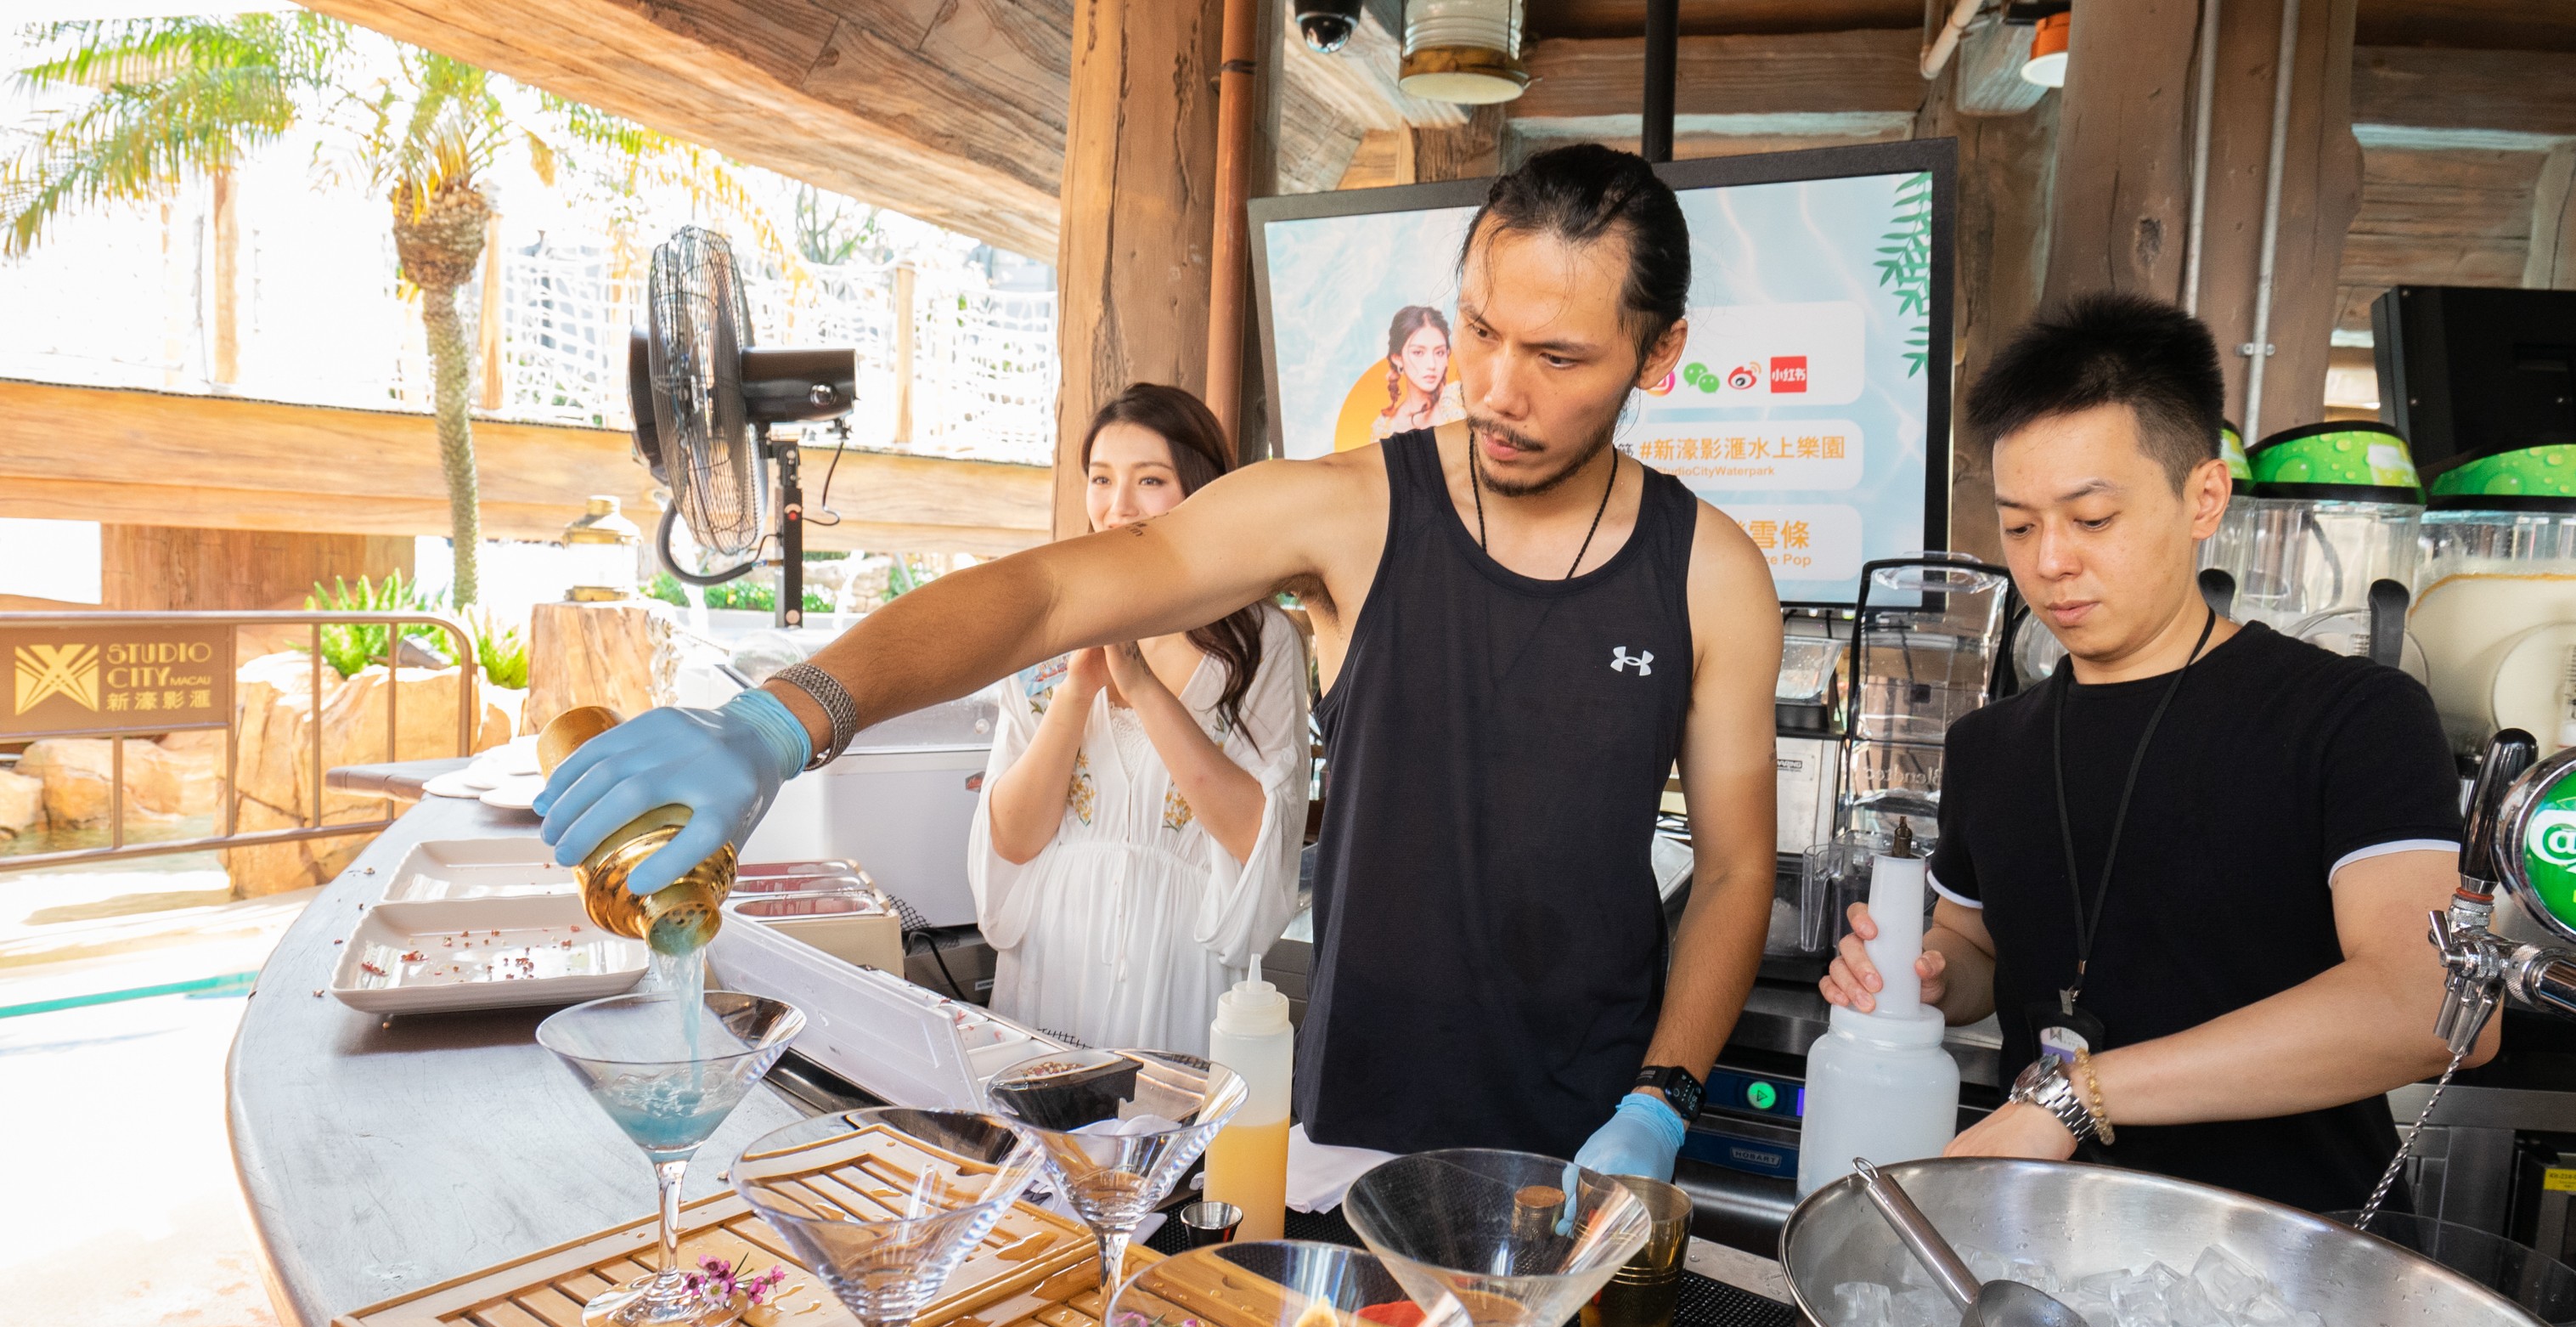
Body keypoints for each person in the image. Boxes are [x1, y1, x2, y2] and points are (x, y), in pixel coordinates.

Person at [533, 144, 1780, 1183]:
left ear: (1657, 354)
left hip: (1594, 1134)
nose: (1497, 389)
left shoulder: (1709, 573)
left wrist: (1660, 1102)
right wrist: (783, 719)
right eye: (1480, 330)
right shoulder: (1351, 510)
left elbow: (1731, 868)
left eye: (1558, 358)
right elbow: (1052, 593)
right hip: (1351, 1128)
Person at [1818, 295, 2491, 1217]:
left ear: (2203, 497)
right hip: (2042, 1243)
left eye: (2093, 519)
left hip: (2293, 1250)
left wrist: (2076, 1096)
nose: (2050, 562)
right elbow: (1974, 946)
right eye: (2019, 525)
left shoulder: (2349, 716)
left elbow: (2436, 1006)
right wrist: (1920, 969)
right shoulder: (1992, 744)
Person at [965, 383, 1309, 1053]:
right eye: (1101, 479)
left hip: (1178, 963)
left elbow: (1257, 835)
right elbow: (1014, 840)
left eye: (1150, 480)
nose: (1117, 506)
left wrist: (1142, 687)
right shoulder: (1046, 628)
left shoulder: (1258, 641)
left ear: (1201, 489)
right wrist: (1075, 692)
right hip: (1053, 958)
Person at [1373, 304, 1460, 439]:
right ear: (1398, 358)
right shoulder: (1383, 429)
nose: (1432, 365)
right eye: (1418, 352)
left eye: (1439, 352)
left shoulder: (1461, 396)